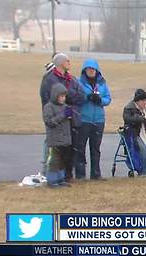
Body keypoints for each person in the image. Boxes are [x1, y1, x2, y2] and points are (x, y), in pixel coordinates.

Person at [40, 53, 85, 181]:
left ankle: (66, 175)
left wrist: (69, 96)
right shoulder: (49, 79)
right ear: (61, 63)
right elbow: (50, 98)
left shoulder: (71, 78)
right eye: (67, 61)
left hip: (71, 119)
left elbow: (81, 95)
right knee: (54, 150)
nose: (70, 63)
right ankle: (50, 176)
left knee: (69, 149)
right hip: (55, 117)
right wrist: (69, 96)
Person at [75, 59, 112, 180]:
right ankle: (80, 174)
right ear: (85, 70)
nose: (91, 71)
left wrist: (100, 100)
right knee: (80, 148)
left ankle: (96, 174)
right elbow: (75, 97)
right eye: (89, 69)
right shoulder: (79, 83)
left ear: (97, 71)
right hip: (84, 119)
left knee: (95, 148)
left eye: (93, 69)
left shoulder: (102, 83)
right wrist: (87, 97)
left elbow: (108, 98)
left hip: (99, 120)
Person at [42, 83, 73, 188]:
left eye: (64, 96)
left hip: (65, 140)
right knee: (54, 162)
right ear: (55, 95)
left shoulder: (65, 106)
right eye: (61, 96)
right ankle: (52, 181)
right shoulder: (48, 107)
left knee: (62, 161)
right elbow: (49, 122)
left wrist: (71, 116)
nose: (63, 98)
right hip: (54, 140)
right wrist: (63, 115)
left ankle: (61, 179)